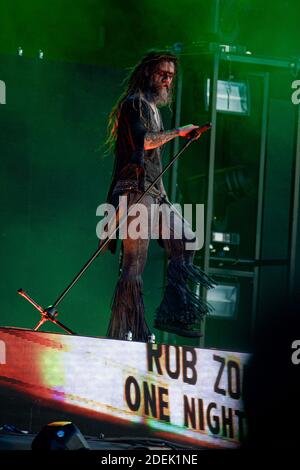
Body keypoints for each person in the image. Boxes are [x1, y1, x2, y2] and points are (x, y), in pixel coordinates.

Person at [101, 50, 215, 342]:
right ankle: (131, 330)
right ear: (147, 73)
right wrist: (178, 132)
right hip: (134, 191)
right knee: (133, 265)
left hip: (154, 192)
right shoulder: (133, 105)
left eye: (171, 76)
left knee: (186, 238)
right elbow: (144, 142)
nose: (167, 80)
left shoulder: (153, 108)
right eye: (162, 73)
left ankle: (174, 313)